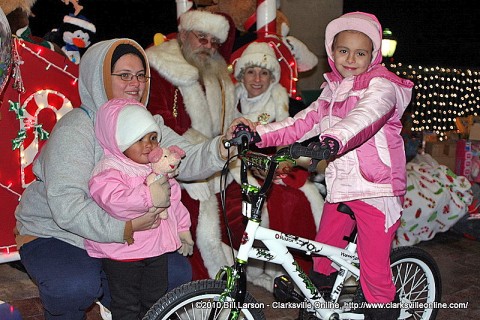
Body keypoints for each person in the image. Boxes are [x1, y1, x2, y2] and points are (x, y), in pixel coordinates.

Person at [14, 38, 250, 319]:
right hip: (58, 234)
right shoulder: (77, 128)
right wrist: (124, 228)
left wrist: (224, 144)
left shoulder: (146, 123)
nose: (135, 84)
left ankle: (120, 305)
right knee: (75, 286)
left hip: (123, 235)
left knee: (174, 273)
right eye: (124, 75)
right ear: (99, 78)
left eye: (140, 75)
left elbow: (183, 156)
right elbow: (67, 205)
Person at [251, 12, 414, 320]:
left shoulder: (383, 86)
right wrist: (257, 134)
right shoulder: (331, 91)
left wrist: (332, 140)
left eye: (360, 52)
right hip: (341, 189)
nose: (350, 58)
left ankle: (383, 311)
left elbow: (365, 116)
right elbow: (300, 123)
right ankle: (322, 304)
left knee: (374, 274)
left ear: (373, 56)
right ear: (331, 53)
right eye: (343, 50)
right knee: (322, 256)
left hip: (376, 190)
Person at [146, 10, 239, 281]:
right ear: (184, 35)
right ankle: (204, 285)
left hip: (220, 162)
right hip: (176, 166)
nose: (208, 47)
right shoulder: (160, 65)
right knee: (199, 216)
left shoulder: (219, 74)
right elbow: (158, 122)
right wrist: (202, 151)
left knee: (250, 205)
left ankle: (241, 273)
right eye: (202, 38)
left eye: (214, 42)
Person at [85, 98, 193, 319]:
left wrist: (183, 229)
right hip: (124, 254)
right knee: (126, 306)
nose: (149, 145)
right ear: (119, 142)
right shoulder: (109, 170)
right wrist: (148, 195)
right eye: (138, 139)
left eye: (153, 138)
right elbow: (115, 202)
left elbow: (173, 201)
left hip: (156, 250)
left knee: (156, 301)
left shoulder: (156, 168)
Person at [232, 41, 324, 289]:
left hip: (282, 169)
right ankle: (257, 267)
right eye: (251, 71)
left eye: (264, 72)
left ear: (272, 76)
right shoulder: (231, 105)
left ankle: (297, 269)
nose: (258, 79)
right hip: (243, 172)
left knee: (301, 200)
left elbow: (297, 142)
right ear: (242, 75)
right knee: (275, 203)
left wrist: (283, 163)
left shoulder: (285, 104)